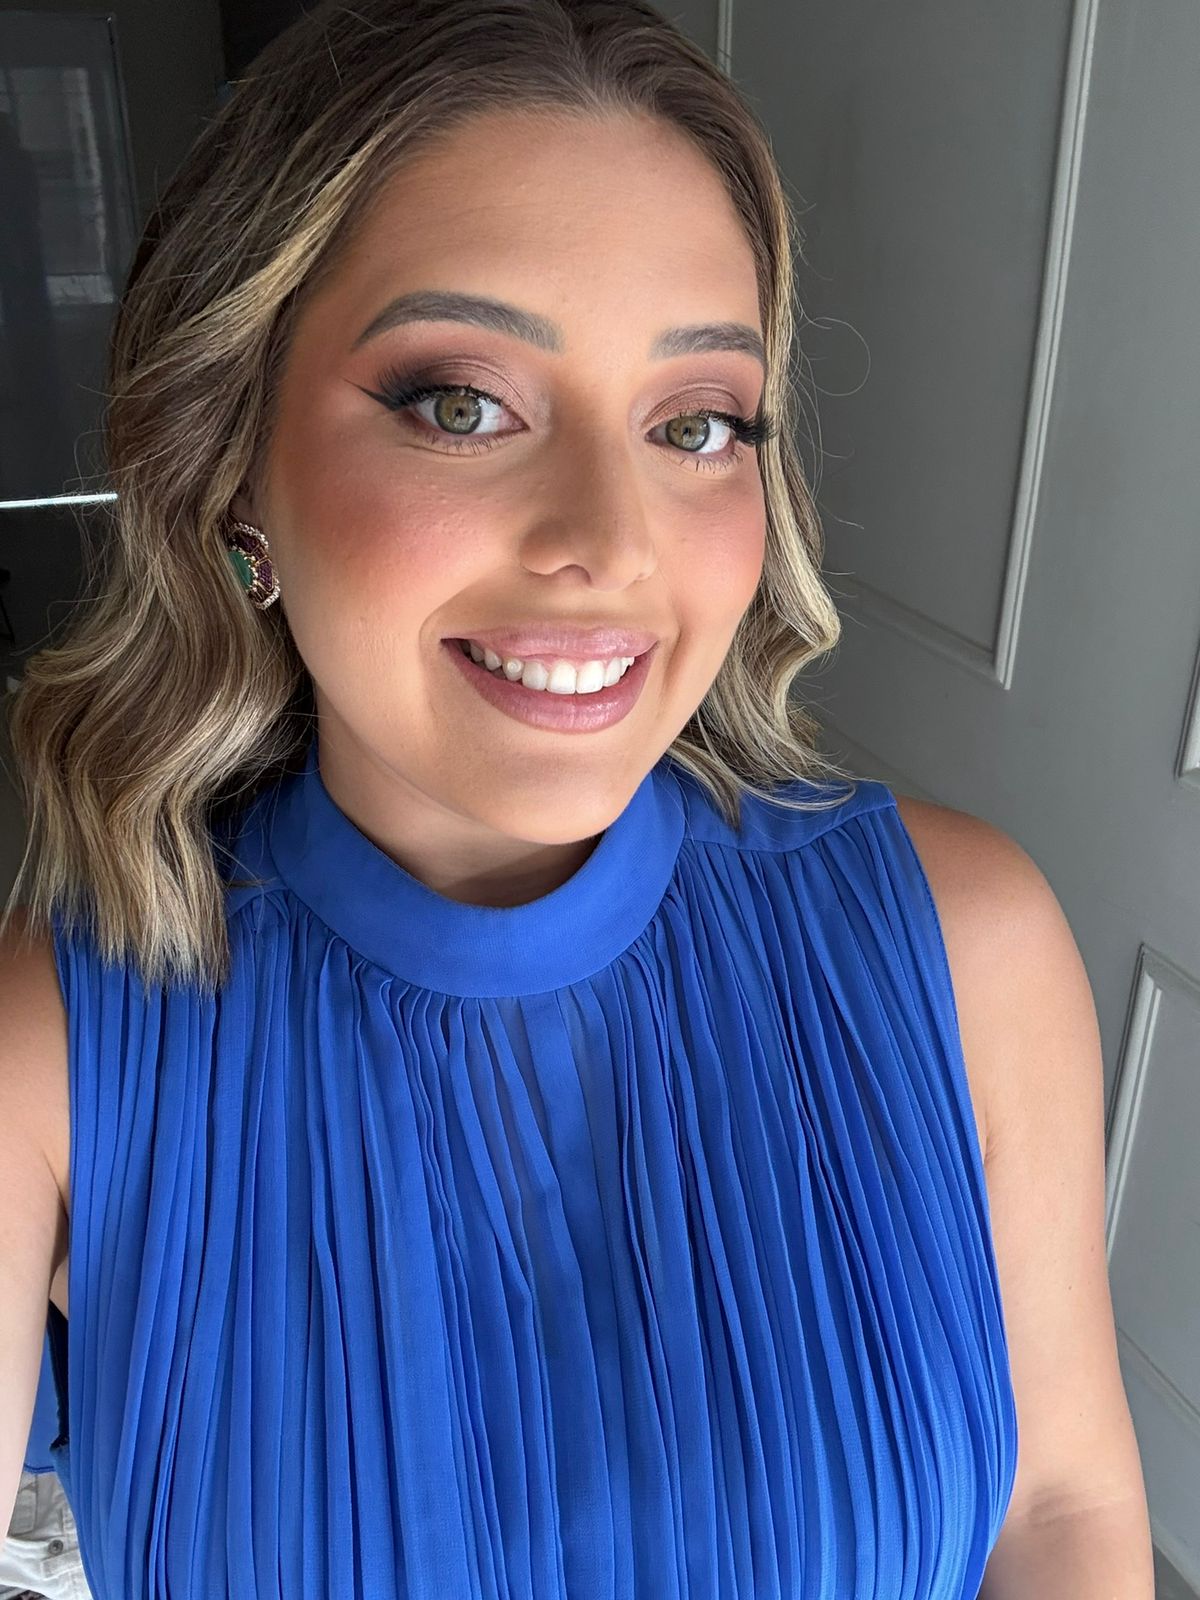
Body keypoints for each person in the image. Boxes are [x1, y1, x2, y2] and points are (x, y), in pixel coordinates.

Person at [0, 0, 1154, 1595]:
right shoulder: (57, 1048)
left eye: (697, 423)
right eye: (461, 403)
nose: (611, 541)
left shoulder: (969, 948)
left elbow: (1062, 1507)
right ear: (232, 467)